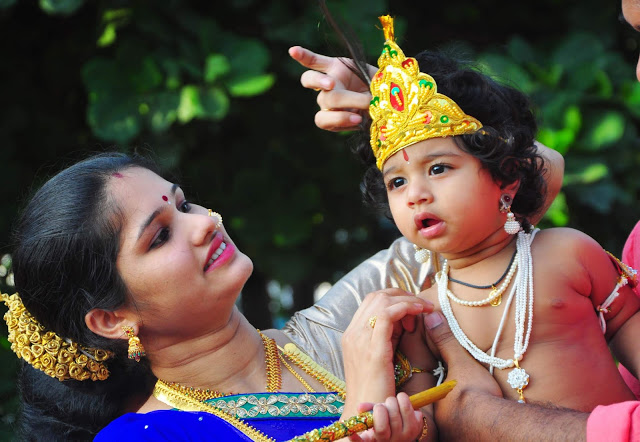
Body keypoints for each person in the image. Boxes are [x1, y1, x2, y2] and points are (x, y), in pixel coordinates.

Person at [285, 2, 640, 438]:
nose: (415, 194)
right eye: (397, 182)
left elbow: (629, 327)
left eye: (438, 169)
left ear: (506, 175)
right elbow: (429, 421)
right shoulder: (422, 312)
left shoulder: (568, 251)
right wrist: (403, 430)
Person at [1, 152, 431, 441]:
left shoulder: (335, 338)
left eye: (184, 205)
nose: (205, 223)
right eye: (160, 236)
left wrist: (420, 367)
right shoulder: (147, 437)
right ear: (112, 319)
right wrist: (359, 415)